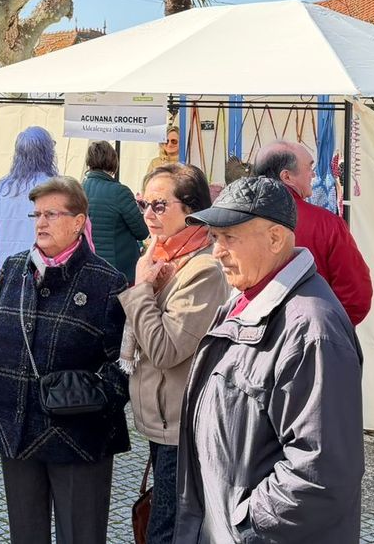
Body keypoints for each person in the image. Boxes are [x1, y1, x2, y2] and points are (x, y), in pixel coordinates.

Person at [175, 177, 364, 542]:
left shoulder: (312, 329)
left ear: (276, 239)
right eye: (214, 237)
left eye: (229, 237)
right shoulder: (245, 299)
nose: (217, 252)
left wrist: (243, 524)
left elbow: (321, 474)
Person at [0, 176, 129, 544]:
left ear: (78, 222)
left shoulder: (107, 281)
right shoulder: (14, 269)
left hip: (77, 436)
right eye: (37, 214)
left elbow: (124, 363)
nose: (41, 223)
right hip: (16, 429)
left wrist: (89, 402)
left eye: (52, 214)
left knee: (80, 536)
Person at [118, 164, 231, 544]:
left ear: (192, 209)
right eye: (144, 204)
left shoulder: (203, 269)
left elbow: (165, 350)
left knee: (166, 530)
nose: (148, 214)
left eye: (160, 205)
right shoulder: (160, 254)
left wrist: (140, 291)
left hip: (180, 425)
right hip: (161, 417)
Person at [252, 140, 373, 325]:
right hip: (312, 332)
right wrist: (328, 329)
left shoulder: (238, 222)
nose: (313, 174)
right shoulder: (326, 224)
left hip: (251, 331)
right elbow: (356, 296)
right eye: (309, 167)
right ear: (287, 176)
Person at [0, 127, 62, 300]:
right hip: (48, 285)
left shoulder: (0, 192)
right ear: (48, 152)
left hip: (5, 283)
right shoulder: (60, 190)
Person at [81, 141, 146, 283]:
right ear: (113, 161)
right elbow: (142, 232)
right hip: (118, 270)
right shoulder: (120, 192)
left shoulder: (78, 190)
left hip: (86, 267)